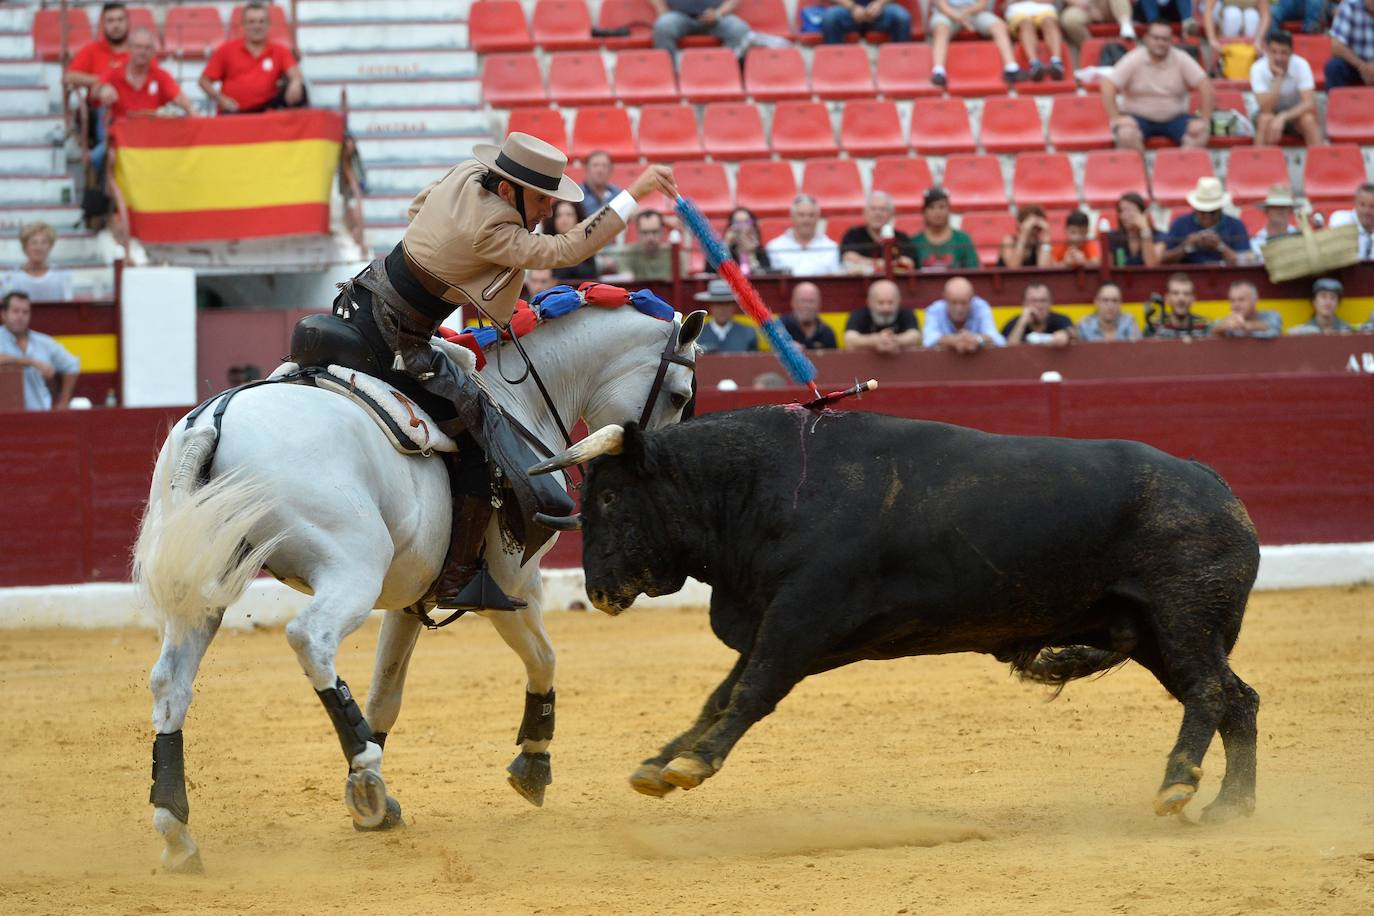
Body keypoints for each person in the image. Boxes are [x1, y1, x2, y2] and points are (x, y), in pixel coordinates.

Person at [327, 131, 676, 611]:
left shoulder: (466, 174)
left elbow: (417, 208)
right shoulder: (496, 231)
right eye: (540, 201)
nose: (546, 214)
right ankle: (455, 578)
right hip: (399, 336)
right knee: (478, 434)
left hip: (360, 299)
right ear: (509, 189)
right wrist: (634, 194)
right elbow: (567, 251)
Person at [1102, 20, 1213, 151]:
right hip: (1137, 117)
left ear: (1171, 40)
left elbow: (1206, 86)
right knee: (1125, 134)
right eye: (1156, 38)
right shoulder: (1134, 58)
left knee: (1199, 133)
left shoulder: (1181, 58)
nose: (1160, 43)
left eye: (1165, 39)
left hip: (1175, 118)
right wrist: (1116, 118)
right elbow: (1108, 85)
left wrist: (1204, 120)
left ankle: (1180, 171)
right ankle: (1140, 171)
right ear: (1146, 38)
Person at [199, 1, 305, 114]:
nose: (257, 26)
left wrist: (296, 82)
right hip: (233, 113)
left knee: (302, 91)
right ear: (243, 25)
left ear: (269, 24)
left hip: (266, 112)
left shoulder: (279, 51)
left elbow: (294, 72)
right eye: (251, 22)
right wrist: (220, 99)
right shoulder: (226, 50)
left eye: (261, 21)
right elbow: (204, 81)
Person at [0, 291, 81, 410]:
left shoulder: (44, 342)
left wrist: (63, 401)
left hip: (39, 414)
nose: (20, 316)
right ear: (3, 314)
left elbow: (72, 365)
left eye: (25, 312)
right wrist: (31, 362)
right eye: (15, 311)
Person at [95, 28, 195, 121]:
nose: (142, 52)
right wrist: (102, 89)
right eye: (138, 47)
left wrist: (191, 111)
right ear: (129, 49)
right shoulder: (114, 72)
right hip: (121, 133)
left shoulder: (161, 75)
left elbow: (180, 98)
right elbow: (94, 91)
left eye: (147, 48)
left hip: (151, 133)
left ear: (153, 52)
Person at [930, 0, 1024, 88]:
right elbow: (942, 6)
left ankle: (1011, 68)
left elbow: (982, 4)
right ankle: (938, 72)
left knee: (999, 26)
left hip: (974, 12)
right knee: (941, 29)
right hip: (947, 14)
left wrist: (967, 12)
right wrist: (961, 19)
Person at [1250, 30, 1320, 147]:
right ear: (1267, 51)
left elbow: (1309, 103)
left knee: (1308, 120)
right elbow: (1266, 108)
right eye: (1274, 52)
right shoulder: (1257, 69)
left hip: (1294, 115)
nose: (1278, 57)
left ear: (1291, 52)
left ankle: (1319, 162)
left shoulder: (1301, 65)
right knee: (1265, 119)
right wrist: (1278, 77)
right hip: (1266, 114)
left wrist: (1283, 117)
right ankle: (1259, 163)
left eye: (1284, 53)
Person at [1160, 177, 1250, 265]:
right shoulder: (1181, 224)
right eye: (1202, 212)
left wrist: (1220, 247)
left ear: (1220, 208)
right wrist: (1186, 247)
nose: (1207, 216)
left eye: (1212, 212)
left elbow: (1247, 262)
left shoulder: (1235, 225)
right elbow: (1163, 259)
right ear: (1195, 209)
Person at [922, 276, 1006, 352]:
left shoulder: (981, 306)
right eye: (954, 302)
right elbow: (927, 341)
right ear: (945, 299)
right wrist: (953, 341)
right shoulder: (935, 310)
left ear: (972, 299)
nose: (959, 309)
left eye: (963, 303)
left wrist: (978, 340)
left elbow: (998, 341)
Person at [840, 192, 918, 274]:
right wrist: (886, 264)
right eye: (873, 209)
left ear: (891, 214)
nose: (877, 213)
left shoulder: (901, 238)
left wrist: (866, 263)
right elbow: (848, 258)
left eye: (883, 209)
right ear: (864, 213)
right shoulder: (853, 235)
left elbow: (908, 262)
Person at [765, 194, 840, 276]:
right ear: (792, 217)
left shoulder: (831, 247)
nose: (806, 220)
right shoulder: (774, 247)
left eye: (811, 215)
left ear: (818, 217)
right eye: (801, 215)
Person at [652, 0, 751, 61]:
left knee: (739, 30)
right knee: (663, 26)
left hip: (716, 16)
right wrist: (663, 10)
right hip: (680, 15)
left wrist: (719, 13)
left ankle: (724, 68)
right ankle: (670, 73)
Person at [845, 279, 922, 353]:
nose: (886, 308)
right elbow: (849, 340)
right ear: (869, 302)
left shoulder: (906, 314)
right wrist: (874, 341)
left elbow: (915, 336)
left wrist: (896, 340)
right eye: (881, 303)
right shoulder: (859, 315)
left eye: (890, 303)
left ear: (899, 301)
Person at [911, 188, 980, 270]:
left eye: (942, 207)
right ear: (924, 212)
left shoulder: (963, 239)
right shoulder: (914, 242)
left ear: (949, 210)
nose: (937, 212)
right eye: (931, 207)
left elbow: (973, 271)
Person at [3, 223, 72, 301]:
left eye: (44, 242)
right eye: (34, 242)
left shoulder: (62, 274)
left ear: (50, 246)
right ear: (25, 247)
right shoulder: (11, 277)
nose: (39, 247)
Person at [1004, 1, 1067, 80]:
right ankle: (1034, 64)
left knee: (1049, 22)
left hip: (1043, 7)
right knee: (1025, 24)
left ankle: (1057, 63)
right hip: (1018, 10)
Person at [695, 278, 759, 352]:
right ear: (710, 306)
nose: (723, 309)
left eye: (727, 304)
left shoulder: (748, 333)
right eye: (718, 304)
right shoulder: (696, 335)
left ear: (734, 306)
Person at [621, 209, 688, 280]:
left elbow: (683, 283)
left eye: (655, 232)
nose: (650, 238)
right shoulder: (628, 253)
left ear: (662, 231)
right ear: (637, 233)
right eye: (645, 233)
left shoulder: (675, 255)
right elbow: (626, 279)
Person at [1002, 282, 1074, 346]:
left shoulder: (1061, 320)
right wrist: (1022, 322)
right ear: (1024, 303)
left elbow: (1074, 335)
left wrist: (1066, 335)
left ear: (1050, 303)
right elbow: (1008, 350)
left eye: (1043, 301)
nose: (1039, 306)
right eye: (1033, 301)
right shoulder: (1014, 324)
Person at [544, 200, 600, 282]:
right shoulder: (546, 245)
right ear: (553, 220)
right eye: (559, 215)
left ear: (577, 218)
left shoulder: (587, 244)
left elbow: (591, 274)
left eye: (569, 215)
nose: (564, 219)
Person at [1102, 192, 1162, 267]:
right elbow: (1107, 269)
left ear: (1143, 212)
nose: (1124, 216)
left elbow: (1151, 265)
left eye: (1129, 210)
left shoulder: (1159, 236)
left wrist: (1145, 230)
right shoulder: (1112, 237)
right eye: (1121, 211)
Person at [1325, 0, 1374, 89]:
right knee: (1334, 67)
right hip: (1355, 64)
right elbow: (1336, 45)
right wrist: (1362, 66)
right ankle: (1338, 102)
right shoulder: (1349, 6)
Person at [1145, 272, 1210, 337]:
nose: (1181, 298)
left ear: (1193, 299)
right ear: (1167, 299)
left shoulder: (1204, 326)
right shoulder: (1154, 327)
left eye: (1186, 293)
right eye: (1175, 293)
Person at [1209, 279, 1282, 336]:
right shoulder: (1228, 322)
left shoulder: (1271, 316)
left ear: (1255, 301)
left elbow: (1273, 328)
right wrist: (1222, 327)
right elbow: (1209, 332)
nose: (1236, 304)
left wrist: (1245, 326)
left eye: (1241, 299)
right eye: (1232, 300)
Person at [821, 0, 913, 44]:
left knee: (902, 17)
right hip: (848, 11)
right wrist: (852, 7)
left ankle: (899, 66)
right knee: (830, 17)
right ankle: (836, 65)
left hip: (881, 11)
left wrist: (880, 4)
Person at [1249, 184, 1299, 262]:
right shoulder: (1256, 243)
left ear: (1291, 211)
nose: (1280, 211)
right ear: (1266, 211)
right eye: (1275, 206)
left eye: (1284, 207)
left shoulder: (1300, 238)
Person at [781, 281, 837, 350]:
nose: (807, 306)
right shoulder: (782, 326)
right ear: (793, 303)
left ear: (819, 304)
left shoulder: (826, 333)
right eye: (803, 301)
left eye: (811, 301)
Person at [1077, 281, 1142, 341]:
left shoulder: (1129, 322)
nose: (1110, 306)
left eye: (1115, 300)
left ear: (1120, 303)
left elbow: (1139, 349)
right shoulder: (1085, 326)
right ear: (1096, 302)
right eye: (1105, 300)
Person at [1289, 278, 1355, 335]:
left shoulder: (1347, 330)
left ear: (1338, 303)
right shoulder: (1303, 331)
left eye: (1333, 297)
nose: (1328, 302)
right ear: (1314, 302)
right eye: (1323, 296)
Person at [1061, 0, 1137, 48]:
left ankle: (1126, 26)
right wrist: (1087, 7)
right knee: (1069, 19)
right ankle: (1094, 49)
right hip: (1084, 6)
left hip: (1109, 5)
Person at [1328, 183, 1374, 262]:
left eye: (1372, 206)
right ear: (1355, 203)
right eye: (1362, 205)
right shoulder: (1340, 219)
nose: (1367, 211)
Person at [1203, 0, 1270, 52]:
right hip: (1227, 19)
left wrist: (1258, 40)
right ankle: (1226, 52)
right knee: (1233, 14)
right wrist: (1212, 40)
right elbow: (1208, 10)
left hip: (1251, 19)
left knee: (1252, 16)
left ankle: (1251, 53)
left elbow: (1265, 14)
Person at [723, 207, 772, 275]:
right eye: (737, 222)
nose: (742, 226)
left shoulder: (759, 252)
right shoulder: (726, 250)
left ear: (753, 226)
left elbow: (766, 276)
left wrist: (752, 254)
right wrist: (726, 244)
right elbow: (710, 271)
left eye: (746, 222)